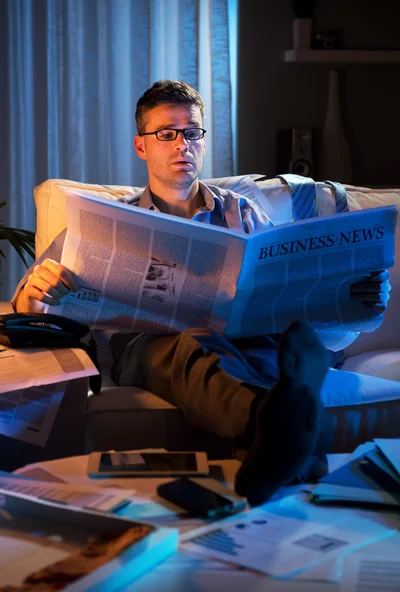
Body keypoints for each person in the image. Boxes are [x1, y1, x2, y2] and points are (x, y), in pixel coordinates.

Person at [13, 80, 390, 506]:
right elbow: (26, 307)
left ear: (204, 142)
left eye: (192, 132)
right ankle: (283, 432)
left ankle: (276, 465)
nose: (181, 145)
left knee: (264, 354)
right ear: (142, 146)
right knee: (193, 345)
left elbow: (278, 280)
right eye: (166, 134)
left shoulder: (241, 212)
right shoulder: (106, 222)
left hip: (244, 338)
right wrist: (35, 293)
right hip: (148, 345)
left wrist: (341, 292)